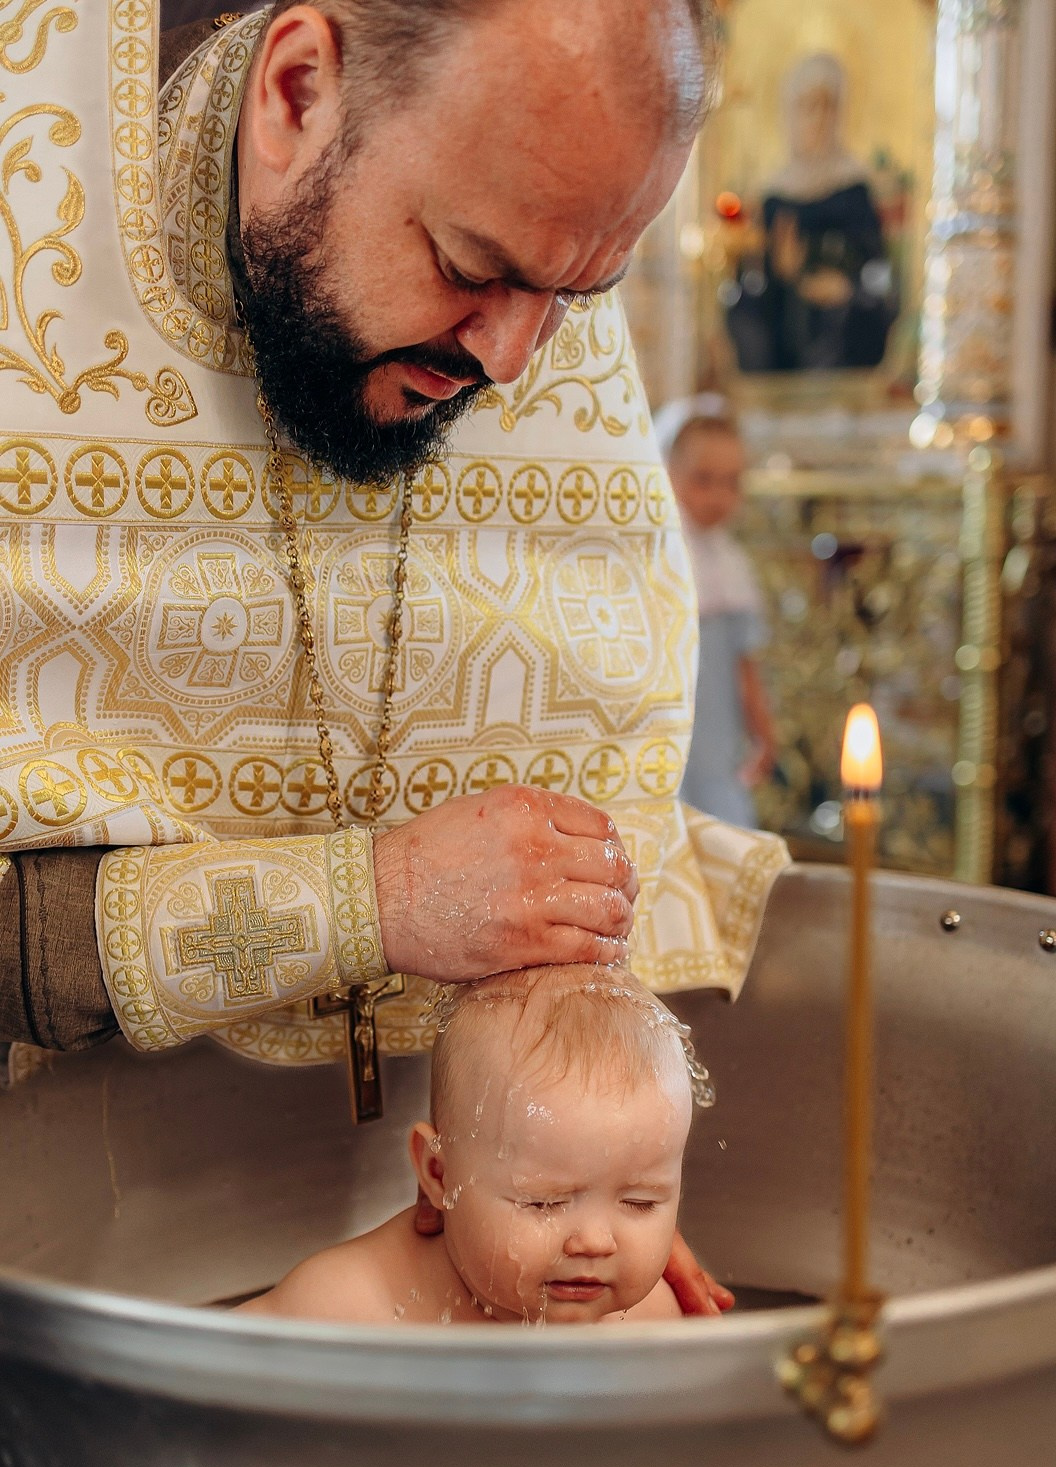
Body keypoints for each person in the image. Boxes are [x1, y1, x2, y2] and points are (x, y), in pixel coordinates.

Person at [0, 3, 788, 1089]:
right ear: (297, 94)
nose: (511, 364)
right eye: (470, 265)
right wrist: (375, 900)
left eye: (573, 297)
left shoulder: (532, 236)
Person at [239, 964, 732, 1324]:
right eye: (543, 1202)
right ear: (439, 1174)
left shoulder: (653, 1323)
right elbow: (208, 1369)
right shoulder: (346, 1308)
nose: (596, 1242)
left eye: (641, 1202)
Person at [724, 52, 896, 373]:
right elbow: (753, 289)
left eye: (827, 106)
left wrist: (849, 292)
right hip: (784, 355)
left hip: (846, 352)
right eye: (807, 107)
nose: (818, 120)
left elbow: (880, 275)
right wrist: (785, 274)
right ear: (789, 113)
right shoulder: (774, 196)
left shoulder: (855, 191)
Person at [656, 402, 775, 829]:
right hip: (667, 714)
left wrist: (762, 727)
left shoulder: (733, 565)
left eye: (732, 483)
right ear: (667, 471)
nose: (719, 497)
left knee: (720, 812)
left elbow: (745, 659)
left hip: (718, 723)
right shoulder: (658, 560)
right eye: (703, 480)